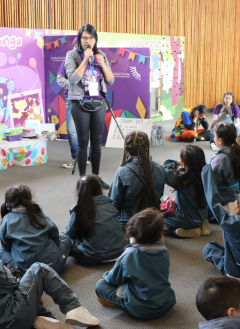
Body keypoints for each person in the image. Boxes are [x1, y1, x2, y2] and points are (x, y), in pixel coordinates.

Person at [95, 208, 176, 320]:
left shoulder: (129, 255)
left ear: (133, 233)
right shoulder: (164, 251)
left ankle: (123, 301)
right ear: (160, 234)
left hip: (139, 309)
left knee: (100, 285)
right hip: (166, 304)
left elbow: (112, 279)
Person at [65, 24, 114, 186]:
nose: (88, 40)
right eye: (85, 37)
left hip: (98, 102)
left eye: (91, 37)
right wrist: (86, 59)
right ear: (79, 39)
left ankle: (96, 177)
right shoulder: (72, 55)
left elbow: (110, 80)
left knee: (97, 142)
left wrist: (103, 63)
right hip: (80, 103)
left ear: (95, 40)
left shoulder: (101, 55)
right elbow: (72, 80)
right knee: (82, 142)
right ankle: (83, 180)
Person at [0, 185, 70, 277]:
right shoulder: (42, 217)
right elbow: (55, 239)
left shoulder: (6, 220)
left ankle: (18, 272)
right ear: (30, 201)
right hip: (53, 267)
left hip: (26, 271)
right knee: (64, 237)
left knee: (1, 250)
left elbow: (6, 246)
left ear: (8, 204)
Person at [65, 175, 127, 265]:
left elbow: (70, 234)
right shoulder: (111, 205)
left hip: (91, 258)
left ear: (78, 193)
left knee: (63, 238)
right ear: (101, 190)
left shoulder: (79, 210)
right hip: (120, 253)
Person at [109, 131, 165, 228]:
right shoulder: (159, 167)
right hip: (154, 221)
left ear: (127, 149)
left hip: (129, 223)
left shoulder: (122, 171)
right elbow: (159, 195)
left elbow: (114, 203)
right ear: (146, 147)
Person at [162, 145, 210, 238]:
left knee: (155, 225)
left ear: (184, 163)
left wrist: (176, 162)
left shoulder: (182, 180)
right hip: (202, 215)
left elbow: (164, 168)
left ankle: (189, 230)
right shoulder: (207, 175)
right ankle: (202, 223)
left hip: (185, 219)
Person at [206, 123, 240, 213]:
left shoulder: (219, 160)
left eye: (214, 136)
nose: (213, 138)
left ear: (220, 140)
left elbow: (209, 184)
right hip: (235, 197)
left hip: (220, 202)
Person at [57, 38, 81, 169]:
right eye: (75, 45)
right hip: (71, 99)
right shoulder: (66, 60)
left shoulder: (89, 61)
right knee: (71, 129)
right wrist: (73, 86)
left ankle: (84, 157)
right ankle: (75, 157)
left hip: (87, 99)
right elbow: (59, 79)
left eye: (80, 45)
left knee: (86, 129)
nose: (77, 48)